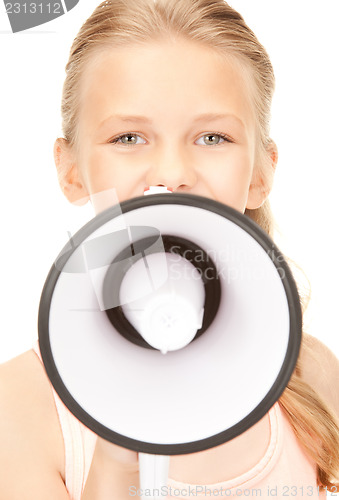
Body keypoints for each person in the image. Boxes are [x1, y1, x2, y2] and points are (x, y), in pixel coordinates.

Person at [0, 0, 339, 498]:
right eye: (129, 136)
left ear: (261, 174)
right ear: (71, 171)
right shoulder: (20, 409)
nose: (171, 174)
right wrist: (116, 465)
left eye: (212, 136)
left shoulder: (312, 376)